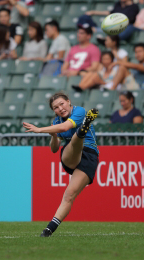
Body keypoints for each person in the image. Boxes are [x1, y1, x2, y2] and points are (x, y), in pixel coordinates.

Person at [23, 92, 99, 237]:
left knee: (69, 196)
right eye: (56, 107)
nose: (60, 108)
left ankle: (48, 230)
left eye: (62, 104)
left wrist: (40, 130)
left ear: (69, 102)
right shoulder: (56, 123)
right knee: (74, 142)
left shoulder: (79, 111)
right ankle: (81, 132)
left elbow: (65, 127)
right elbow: (53, 149)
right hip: (70, 156)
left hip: (89, 155)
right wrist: (53, 135)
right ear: (54, 111)